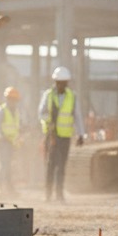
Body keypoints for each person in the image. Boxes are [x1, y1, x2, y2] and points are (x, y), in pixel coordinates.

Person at [38, 66, 85, 202]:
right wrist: (49, 121)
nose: (62, 85)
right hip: (51, 136)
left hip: (64, 136)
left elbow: (77, 116)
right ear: (56, 82)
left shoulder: (72, 96)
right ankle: (48, 194)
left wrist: (80, 134)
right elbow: (41, 113)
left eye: (64, 83)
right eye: (60, 83)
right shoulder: (48, 95)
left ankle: (59, 194)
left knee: (61, 166)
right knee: (50, 165)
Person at [0, 86, 22, 196]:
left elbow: (17, 127)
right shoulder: (1, 111)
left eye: (14, 99)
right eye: (10, 99)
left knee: (7, 165)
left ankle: (9, 189)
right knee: (4, 165)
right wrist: (2, 136)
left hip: (11, 143)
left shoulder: (16, 112)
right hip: (2, 142)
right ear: (7, 99)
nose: (12, 101)